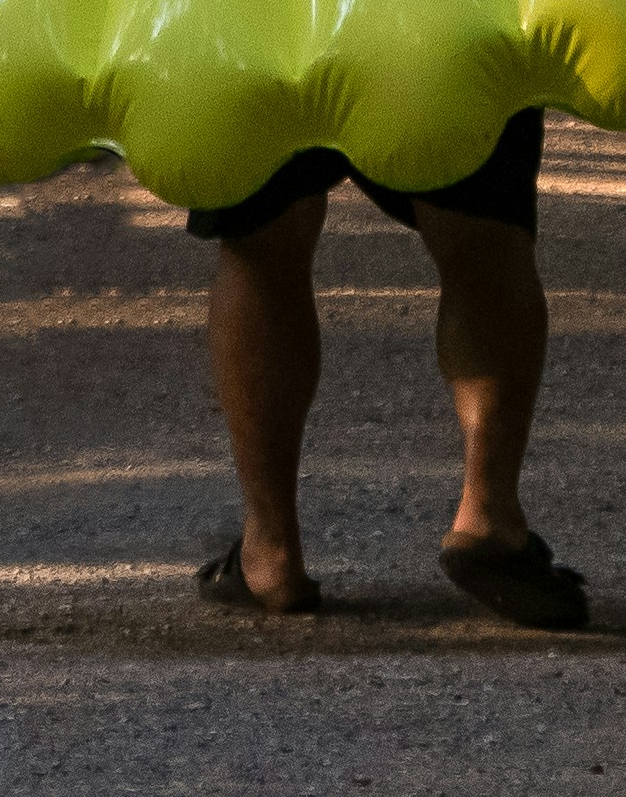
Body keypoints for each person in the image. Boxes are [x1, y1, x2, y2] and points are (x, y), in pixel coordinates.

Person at [185, 109, 590, 630]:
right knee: (479, 230)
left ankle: (270, 548)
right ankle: (487, 513)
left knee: (262, 236)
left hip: (260, 28)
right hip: (434, 27)